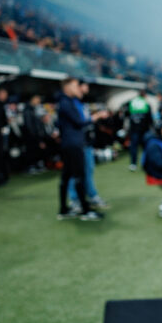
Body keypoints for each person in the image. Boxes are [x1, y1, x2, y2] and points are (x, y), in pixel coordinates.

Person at [56, 78, 104, 221]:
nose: (79, 89)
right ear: (67, 87)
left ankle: (64, 209)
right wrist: (95, 117)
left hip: (69, 143)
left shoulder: (65, 102)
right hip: (73, 144)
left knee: (67, 177)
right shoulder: (66, 103)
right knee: (79, 176)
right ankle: (84, 210)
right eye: (76, 86)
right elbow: (80, 122)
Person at [68, 81, 108, 210]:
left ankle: (91, 195)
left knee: (88, 170)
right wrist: (95, 116)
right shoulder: (70, 103)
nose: (87, 88)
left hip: (86, 143)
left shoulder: (80, 103)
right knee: (75, 173)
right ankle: (74, 200)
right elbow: (79, 122)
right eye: (85, 85)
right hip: (77, 144)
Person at [125, 89, 153, 171]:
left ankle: (133, 164)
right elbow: (150, 118)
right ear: (145, 95)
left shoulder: (132, 102)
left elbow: (126, 114)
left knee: (134, 147)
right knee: (145, 147)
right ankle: (144, 164)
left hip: (134, 129)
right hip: (144, 129)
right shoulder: (146, 103)